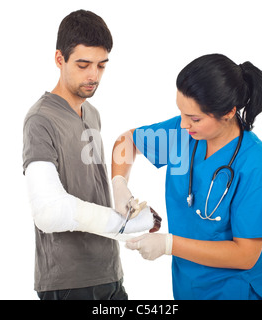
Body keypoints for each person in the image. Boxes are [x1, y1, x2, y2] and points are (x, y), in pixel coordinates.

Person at [112, 54, 262, 300]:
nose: (182, 125)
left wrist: (169, 245)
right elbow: (126, 142)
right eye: (181, 112)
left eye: (194, 118)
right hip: (188, 289)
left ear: (228, 112)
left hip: (237, 292)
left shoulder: (257, 167)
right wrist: (120, 186)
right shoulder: (185, 132)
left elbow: (246, 255)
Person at [22, 9, 160, 300]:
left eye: (101, 65)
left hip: (109, 271)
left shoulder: (92, 114)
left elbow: (89, 188)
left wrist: (123, 201)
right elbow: (48, 212)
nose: (93, 75)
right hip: (68, 281)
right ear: (59, 59)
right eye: (83, 64)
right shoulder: (40, 119)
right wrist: (126, 225)